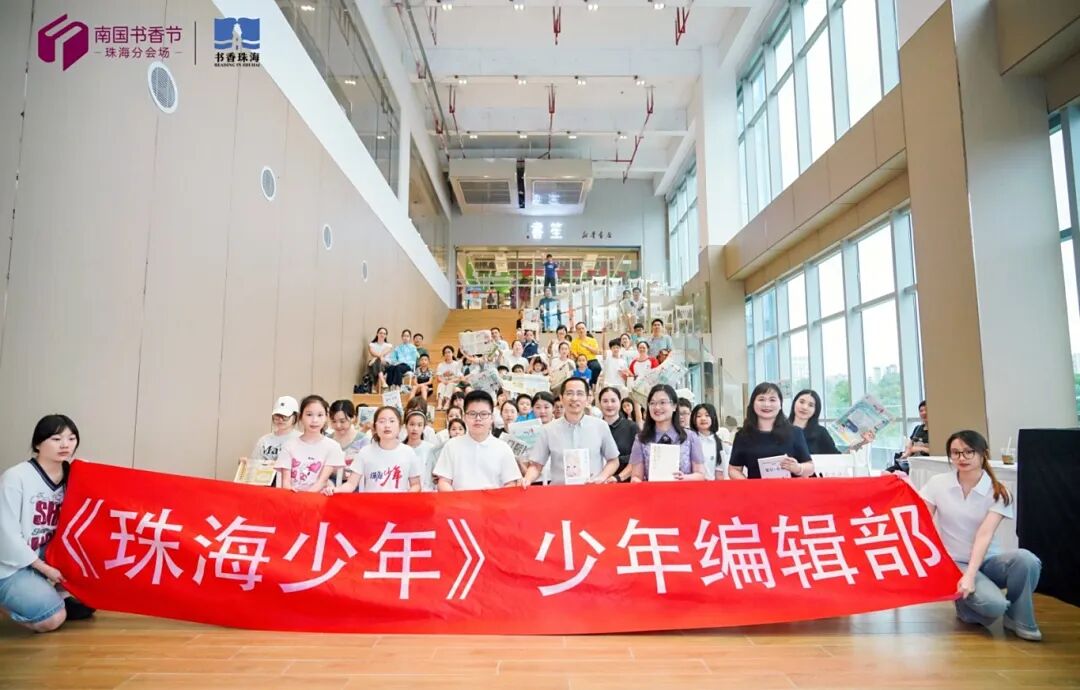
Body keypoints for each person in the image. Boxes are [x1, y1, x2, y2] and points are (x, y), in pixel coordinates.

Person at [920, 430, 1042, 641]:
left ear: (983, 454)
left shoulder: (999, 492)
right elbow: (921, 521)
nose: (962, 458)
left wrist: (970, 576)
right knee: (993, 606)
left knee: (1027, 560)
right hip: (955, 563)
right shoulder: (938, 483)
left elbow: (984, 536)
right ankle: (966, 605)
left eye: (969, 452)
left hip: (988, 561)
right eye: (955, 453)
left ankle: (1019, 618)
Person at [0, 415, 95, 632]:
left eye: (71, 438)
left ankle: (50, 592)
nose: (65, 445)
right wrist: (44, 569)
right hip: (10, 565)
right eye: (56, 439)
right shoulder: (15, 478)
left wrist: (91, 474)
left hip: (45, 555)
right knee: (52, 618)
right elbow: (6, 535)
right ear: (37, 444)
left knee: (86, 603)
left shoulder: (74, 476)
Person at [523, 378, 621, 486]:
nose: (574, 398)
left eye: (580, 394)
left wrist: (601, 478)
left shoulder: (600, 426)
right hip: (560, 493)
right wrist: (527, 479)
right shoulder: (548, 430)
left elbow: (613, 460)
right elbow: (536, 465)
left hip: (592, 491)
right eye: (569, 393)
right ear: (561, 398)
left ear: (587, 399)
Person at [435, 391, 523, 491]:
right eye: (472, 414)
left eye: (484, 414)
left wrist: (493, 495)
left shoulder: (503, 448)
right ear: (464, 417)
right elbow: (443, 482)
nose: (478, 418)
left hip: (494, 500)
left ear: (492, 418)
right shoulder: (451, 445)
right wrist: (458, 499)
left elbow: (511, 483)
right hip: (458, 500)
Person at [728, 383, 812, 479]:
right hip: (756, 488)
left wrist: (798, 468)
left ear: (780, 405)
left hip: (789, 488)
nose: (767, 404)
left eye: (772, 400)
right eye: (761, 399)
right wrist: (748, 485)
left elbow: (810, 467)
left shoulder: (795, 433)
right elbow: (733, 469)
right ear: (753, 404)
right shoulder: (742, 435)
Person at [628, 385, 706, 481]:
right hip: (652, 490)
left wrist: (684, 478)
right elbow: (636, 476)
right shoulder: (641, 439)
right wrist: (635, 480)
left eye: (662, 402)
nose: (657, 407)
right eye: (652, 403)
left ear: (674, 406)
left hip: (684, 489)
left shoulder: (690, 437)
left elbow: (700, 474)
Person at [335, 406, 421, 493]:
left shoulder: (408, 452)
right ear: (375, 427)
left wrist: (405, 497)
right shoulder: (365, 452)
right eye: (382, 421)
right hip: (371, 501)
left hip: (399, 501)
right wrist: (336, 490)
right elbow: (351, 484)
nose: (387, 425)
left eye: (392, 421)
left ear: (400, 426)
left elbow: (416, 485)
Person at [275, 395, 345, 492]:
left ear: (326, 417)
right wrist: (291, 493)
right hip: (293, 497)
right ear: (301, 417)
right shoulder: (289, 445)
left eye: (320, 415)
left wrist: (305, 497)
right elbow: (285, 482)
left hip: (318, 498)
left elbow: (322, 481)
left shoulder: (333, 447)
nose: (314, 420)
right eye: (309, 415)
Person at [788, 389, 874, 455]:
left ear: (815, 410)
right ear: (794, 403)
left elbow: (837, 458)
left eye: (811, 405)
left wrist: (862, 443)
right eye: (801, 402)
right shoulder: (781, 429)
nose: (804, 407)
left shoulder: (820, 433)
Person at [239, 395, 300, 486]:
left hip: (291, 488)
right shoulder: (264, 440)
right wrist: (246, 464)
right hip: (266, 487)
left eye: (285, 416)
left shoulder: (301, 439)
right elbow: (255, 467)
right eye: (277, 416)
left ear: (295, 417)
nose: (280, 420)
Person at [599, 387, 637, 482]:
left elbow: (638, 458)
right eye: (605, 401)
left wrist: (618, 477)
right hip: (598, 482)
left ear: (619, 402)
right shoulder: (595, 427)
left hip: (624, 482)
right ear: (600, 403)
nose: (609, 405)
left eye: (613, 401)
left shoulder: (631, 427)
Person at [329, 399, 369, 482]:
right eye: (334, 421)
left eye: (342, 421)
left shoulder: (363, 440)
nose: (338, 425)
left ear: (353, 418)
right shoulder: (327, 440)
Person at [403, 410, 438, 492]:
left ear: (424, 427)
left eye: (419, 425)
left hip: (427, 493)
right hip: (405, 493)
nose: (415, 428)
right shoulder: (400, 449)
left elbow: (436, 476)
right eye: (412, 424)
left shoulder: (431, 449)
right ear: (406, 426)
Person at [691, 403, 723, 480]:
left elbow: (719, 473)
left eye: (707, 415)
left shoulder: (719, 443)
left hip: (711, 485)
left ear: (713, 418)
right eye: (699, 416)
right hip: (692, 483)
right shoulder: (690, 440)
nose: (703, 418)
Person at [569, 321, 603, 387]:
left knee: (596, 367)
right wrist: (582, 362)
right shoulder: (574, 342)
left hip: (592, 360)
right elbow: (574, 354)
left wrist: (587, 346)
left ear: (586, 329)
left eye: (583, 328)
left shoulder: (592, 340)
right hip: (580, 360)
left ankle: (592, 384)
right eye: (579, 329)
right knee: (575, 368)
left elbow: (596, 352)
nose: (581, 330)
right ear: (577, 331)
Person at [436, 345, 462, 410]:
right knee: (440, 385)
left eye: (449, 352)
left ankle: (447, 403)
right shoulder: (440, 365)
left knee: (450, 385)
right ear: (443, 355)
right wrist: (444, 381)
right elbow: (438, 378)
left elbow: (459, 378)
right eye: (445, 353)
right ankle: (439, 404)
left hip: (453, 382)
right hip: (444, 382)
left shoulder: (457, 364)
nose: (447, 354)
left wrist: (449, 381)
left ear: (452, 353)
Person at [368, 327, 393, 393]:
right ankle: (383, 382)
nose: (382, 335)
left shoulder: (389, 345)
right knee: (377, 362)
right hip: (376, 364)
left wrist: (376, 358)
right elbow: (372, 353)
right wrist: (378, 358)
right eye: (380, 333)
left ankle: (374, 386)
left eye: (384, 334)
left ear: (386, 335)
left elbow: (384, 353)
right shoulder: (371, 344)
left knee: (374, 363)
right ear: (377, 334)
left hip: (386, 364)